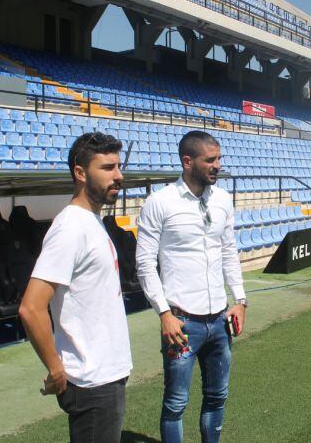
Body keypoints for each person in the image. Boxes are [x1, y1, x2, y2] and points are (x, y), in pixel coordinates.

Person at [19, 132, 132, 443]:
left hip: (106, 374)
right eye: (107, 168)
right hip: (91, 381)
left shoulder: (91, 221)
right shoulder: (69, 228)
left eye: (118, 167)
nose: (118, 176)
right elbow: (31, 307)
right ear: (80, 173)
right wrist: (55, 367)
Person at [136, 130, 247, 443]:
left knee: (217, 397)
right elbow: (144, 264)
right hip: (181, 324)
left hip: (219, 320)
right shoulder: (160, 203)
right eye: (210, 160)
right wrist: (164, 313)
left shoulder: (223, 200)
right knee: (175, 403)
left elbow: (229, 252)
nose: (217, 165)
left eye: (218, 159)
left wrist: (240, 300)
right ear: (187, 162)